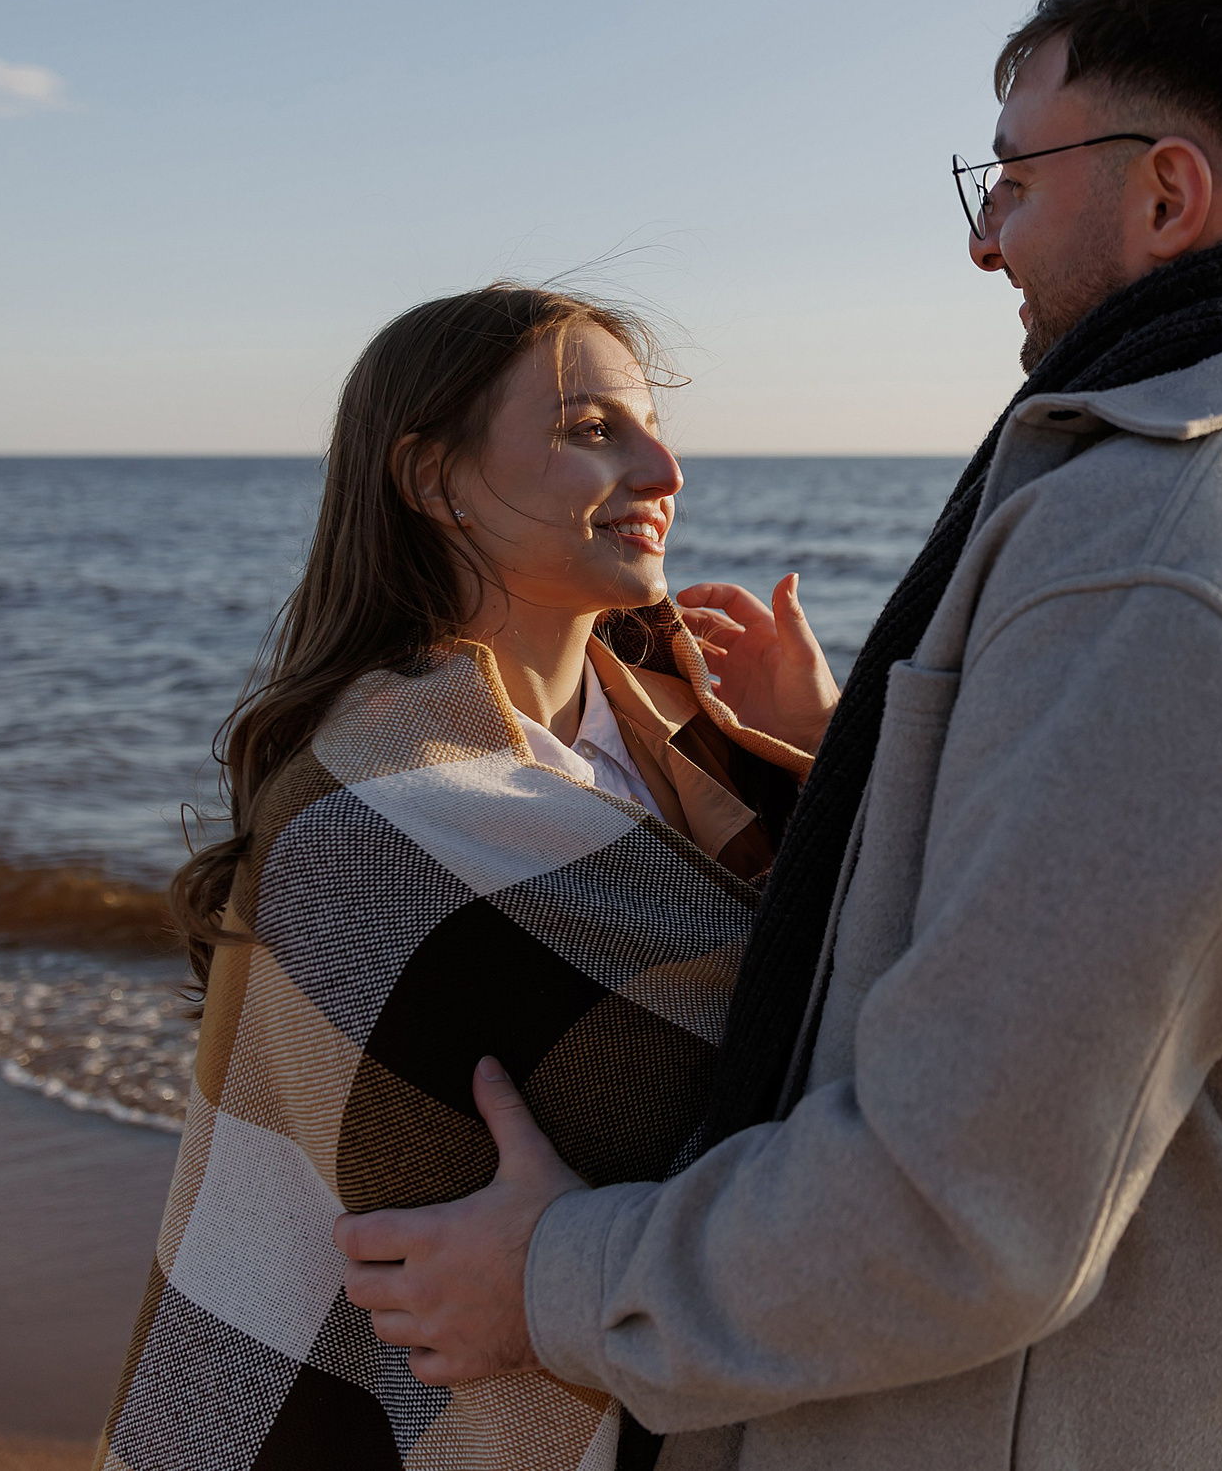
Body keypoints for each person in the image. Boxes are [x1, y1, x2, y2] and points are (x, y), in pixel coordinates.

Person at [339, 0, 1222, 1471]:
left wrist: (558, 1277)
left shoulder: (1168, 556)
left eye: (1011, 178)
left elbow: (956, 1200)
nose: (986, 236)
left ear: (1163, 193)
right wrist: (864, 764)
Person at [101, 285, 838, 1469]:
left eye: (651, 424)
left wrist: (815, 751)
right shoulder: (362, 815)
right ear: (434, 480)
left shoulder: (701, 741)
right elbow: (826, 1058)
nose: (665, 468)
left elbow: (836, 1042)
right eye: (592, 428)